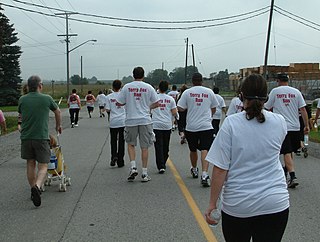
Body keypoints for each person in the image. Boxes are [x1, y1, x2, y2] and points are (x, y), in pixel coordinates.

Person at [205, 74, 289, 242]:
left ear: (241, 95)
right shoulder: (280, 121)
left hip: (239, 204)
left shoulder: (231, 123)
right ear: (267, 97)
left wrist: (212, 203)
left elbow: (221, 169)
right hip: (275, 202)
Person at [18, 75, 62, 207]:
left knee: (30, 163)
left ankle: (33, 188)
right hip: (41, 137)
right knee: (43, 165)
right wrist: (58, 125)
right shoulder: (46, 98)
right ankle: (37, 186)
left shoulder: (22, 99)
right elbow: (58, 111)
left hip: (26, 137)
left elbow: (21, 114)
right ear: (40, 85)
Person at [265, 73, 309, 188]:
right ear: (287, 80)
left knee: (287, 151)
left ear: (278, 81)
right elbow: (303, 109)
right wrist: (306, 125)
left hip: (280, 126)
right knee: (289, 151)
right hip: (295, 126)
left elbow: (267, 106)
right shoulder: (296, 92)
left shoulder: (275, 91)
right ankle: (288, 172)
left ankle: (292, 175)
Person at [117, 67, 159, 182]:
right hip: (145, 120)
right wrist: (148, 107)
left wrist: (128, 102)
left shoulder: (127, 87)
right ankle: (144, 173)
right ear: (143, 75)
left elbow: (119, 102)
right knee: (144, 147)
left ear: (133, 75)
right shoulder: (148, 87)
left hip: (131, 120)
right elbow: (157, 103)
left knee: (131, 144)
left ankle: (133, 166)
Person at [177, 73, 218, 187]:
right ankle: (205, 174)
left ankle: (194, 168)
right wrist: (209, 115)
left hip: (192, 127)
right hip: (206, 126)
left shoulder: (187, 93)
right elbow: (214, 108)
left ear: (192, 81)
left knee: (193, 149)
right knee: (205, 149)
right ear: (202, 81)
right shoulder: (209, 92)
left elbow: (180, 107)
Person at [152, 80, 178, 173]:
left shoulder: (154, 98)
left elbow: (149, 108)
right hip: (167, 125)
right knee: (166, 145)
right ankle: (164, 159)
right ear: (167, 88)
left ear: (159, 88)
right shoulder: (170, 99)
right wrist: (176, 119)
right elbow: (174, 112)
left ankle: (160, 165)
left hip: (156, 124)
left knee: (158, 145)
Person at [105, 80, 126, 168]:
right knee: (122, 141)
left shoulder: (109, 97)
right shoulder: (124, 96)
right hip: (122, 120)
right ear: (121, 86)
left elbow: (108, 109)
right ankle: (120, 160)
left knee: (113, 140)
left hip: (113, 121)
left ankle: (114, 156)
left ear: (113, 87)